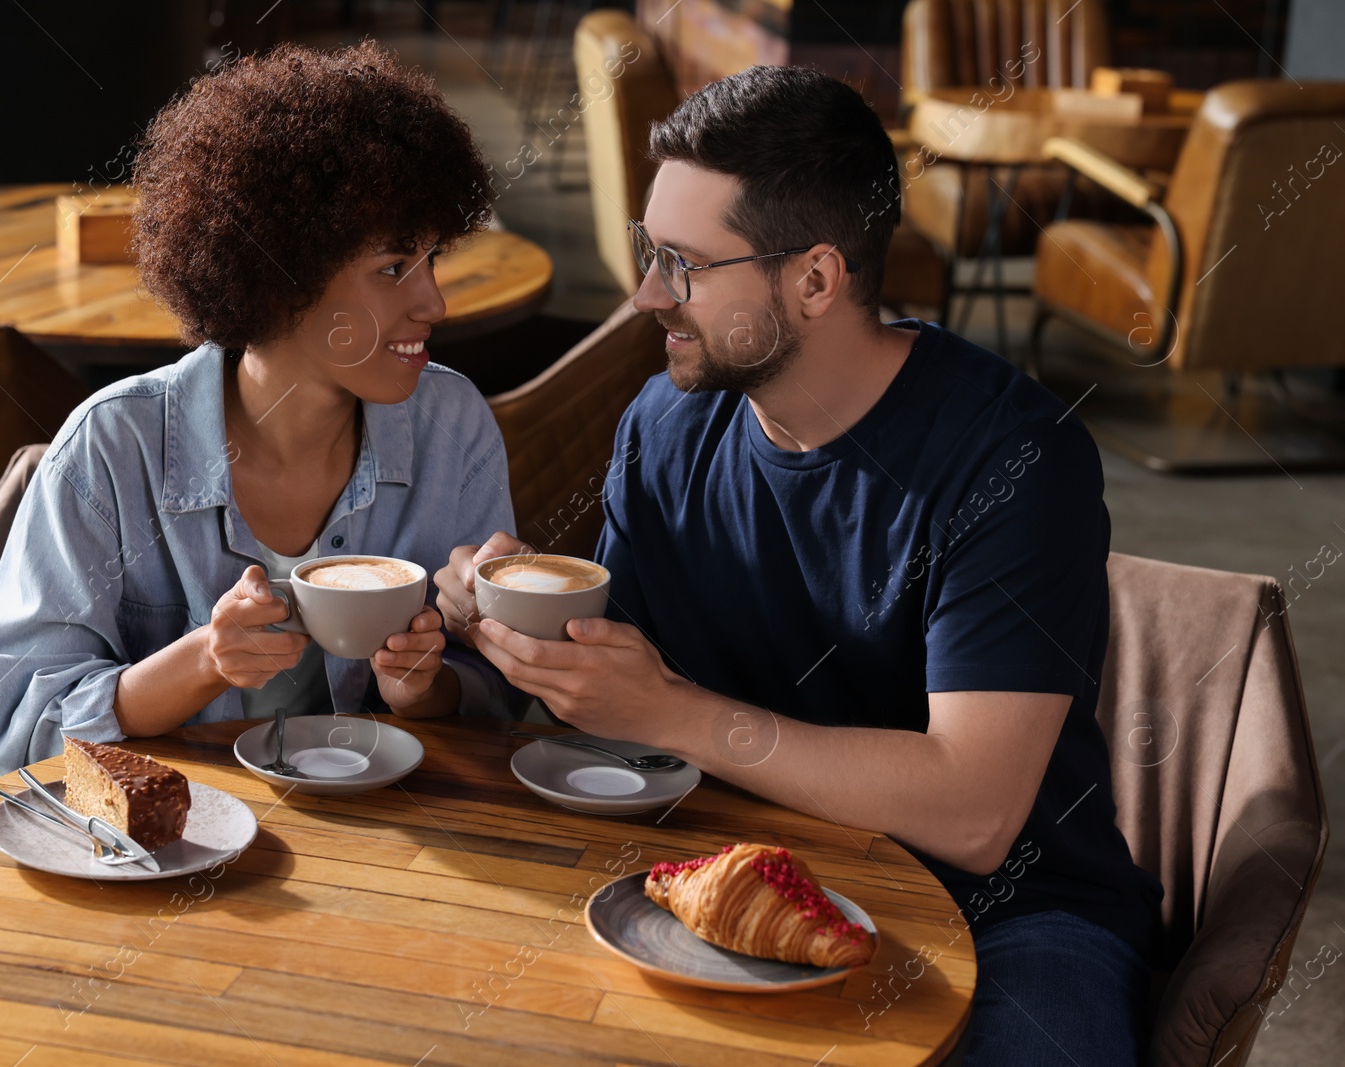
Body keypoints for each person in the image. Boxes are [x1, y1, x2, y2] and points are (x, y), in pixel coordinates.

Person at [435, 66, 1162, 1063]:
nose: (646, 294)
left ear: (815, 280)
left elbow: (974, 809)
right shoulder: (664, 425)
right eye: (653, 253)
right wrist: (513, 628)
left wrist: (670, 710)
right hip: (726, 870)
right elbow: (619, 712)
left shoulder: (1013, 460)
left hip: (1009, 913)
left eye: (682, 262)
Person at [0, 41, 517, 789]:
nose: (434, 303)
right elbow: (19, 727)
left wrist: (422, 689)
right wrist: (201, 662)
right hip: (129, 854)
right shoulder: (112, 447)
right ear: (281, 275)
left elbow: (495, 705)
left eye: (433, 259)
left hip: (361, 855)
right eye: (392, 268)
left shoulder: (455, 427)